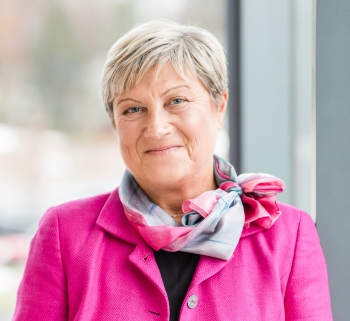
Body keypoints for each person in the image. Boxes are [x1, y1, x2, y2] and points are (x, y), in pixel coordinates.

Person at [13, 20, 332, 321]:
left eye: (176, 100)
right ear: (115, 123)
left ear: (219, 107)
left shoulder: (290, 236)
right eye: (133, 109)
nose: (156, 127)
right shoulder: (64, 233)